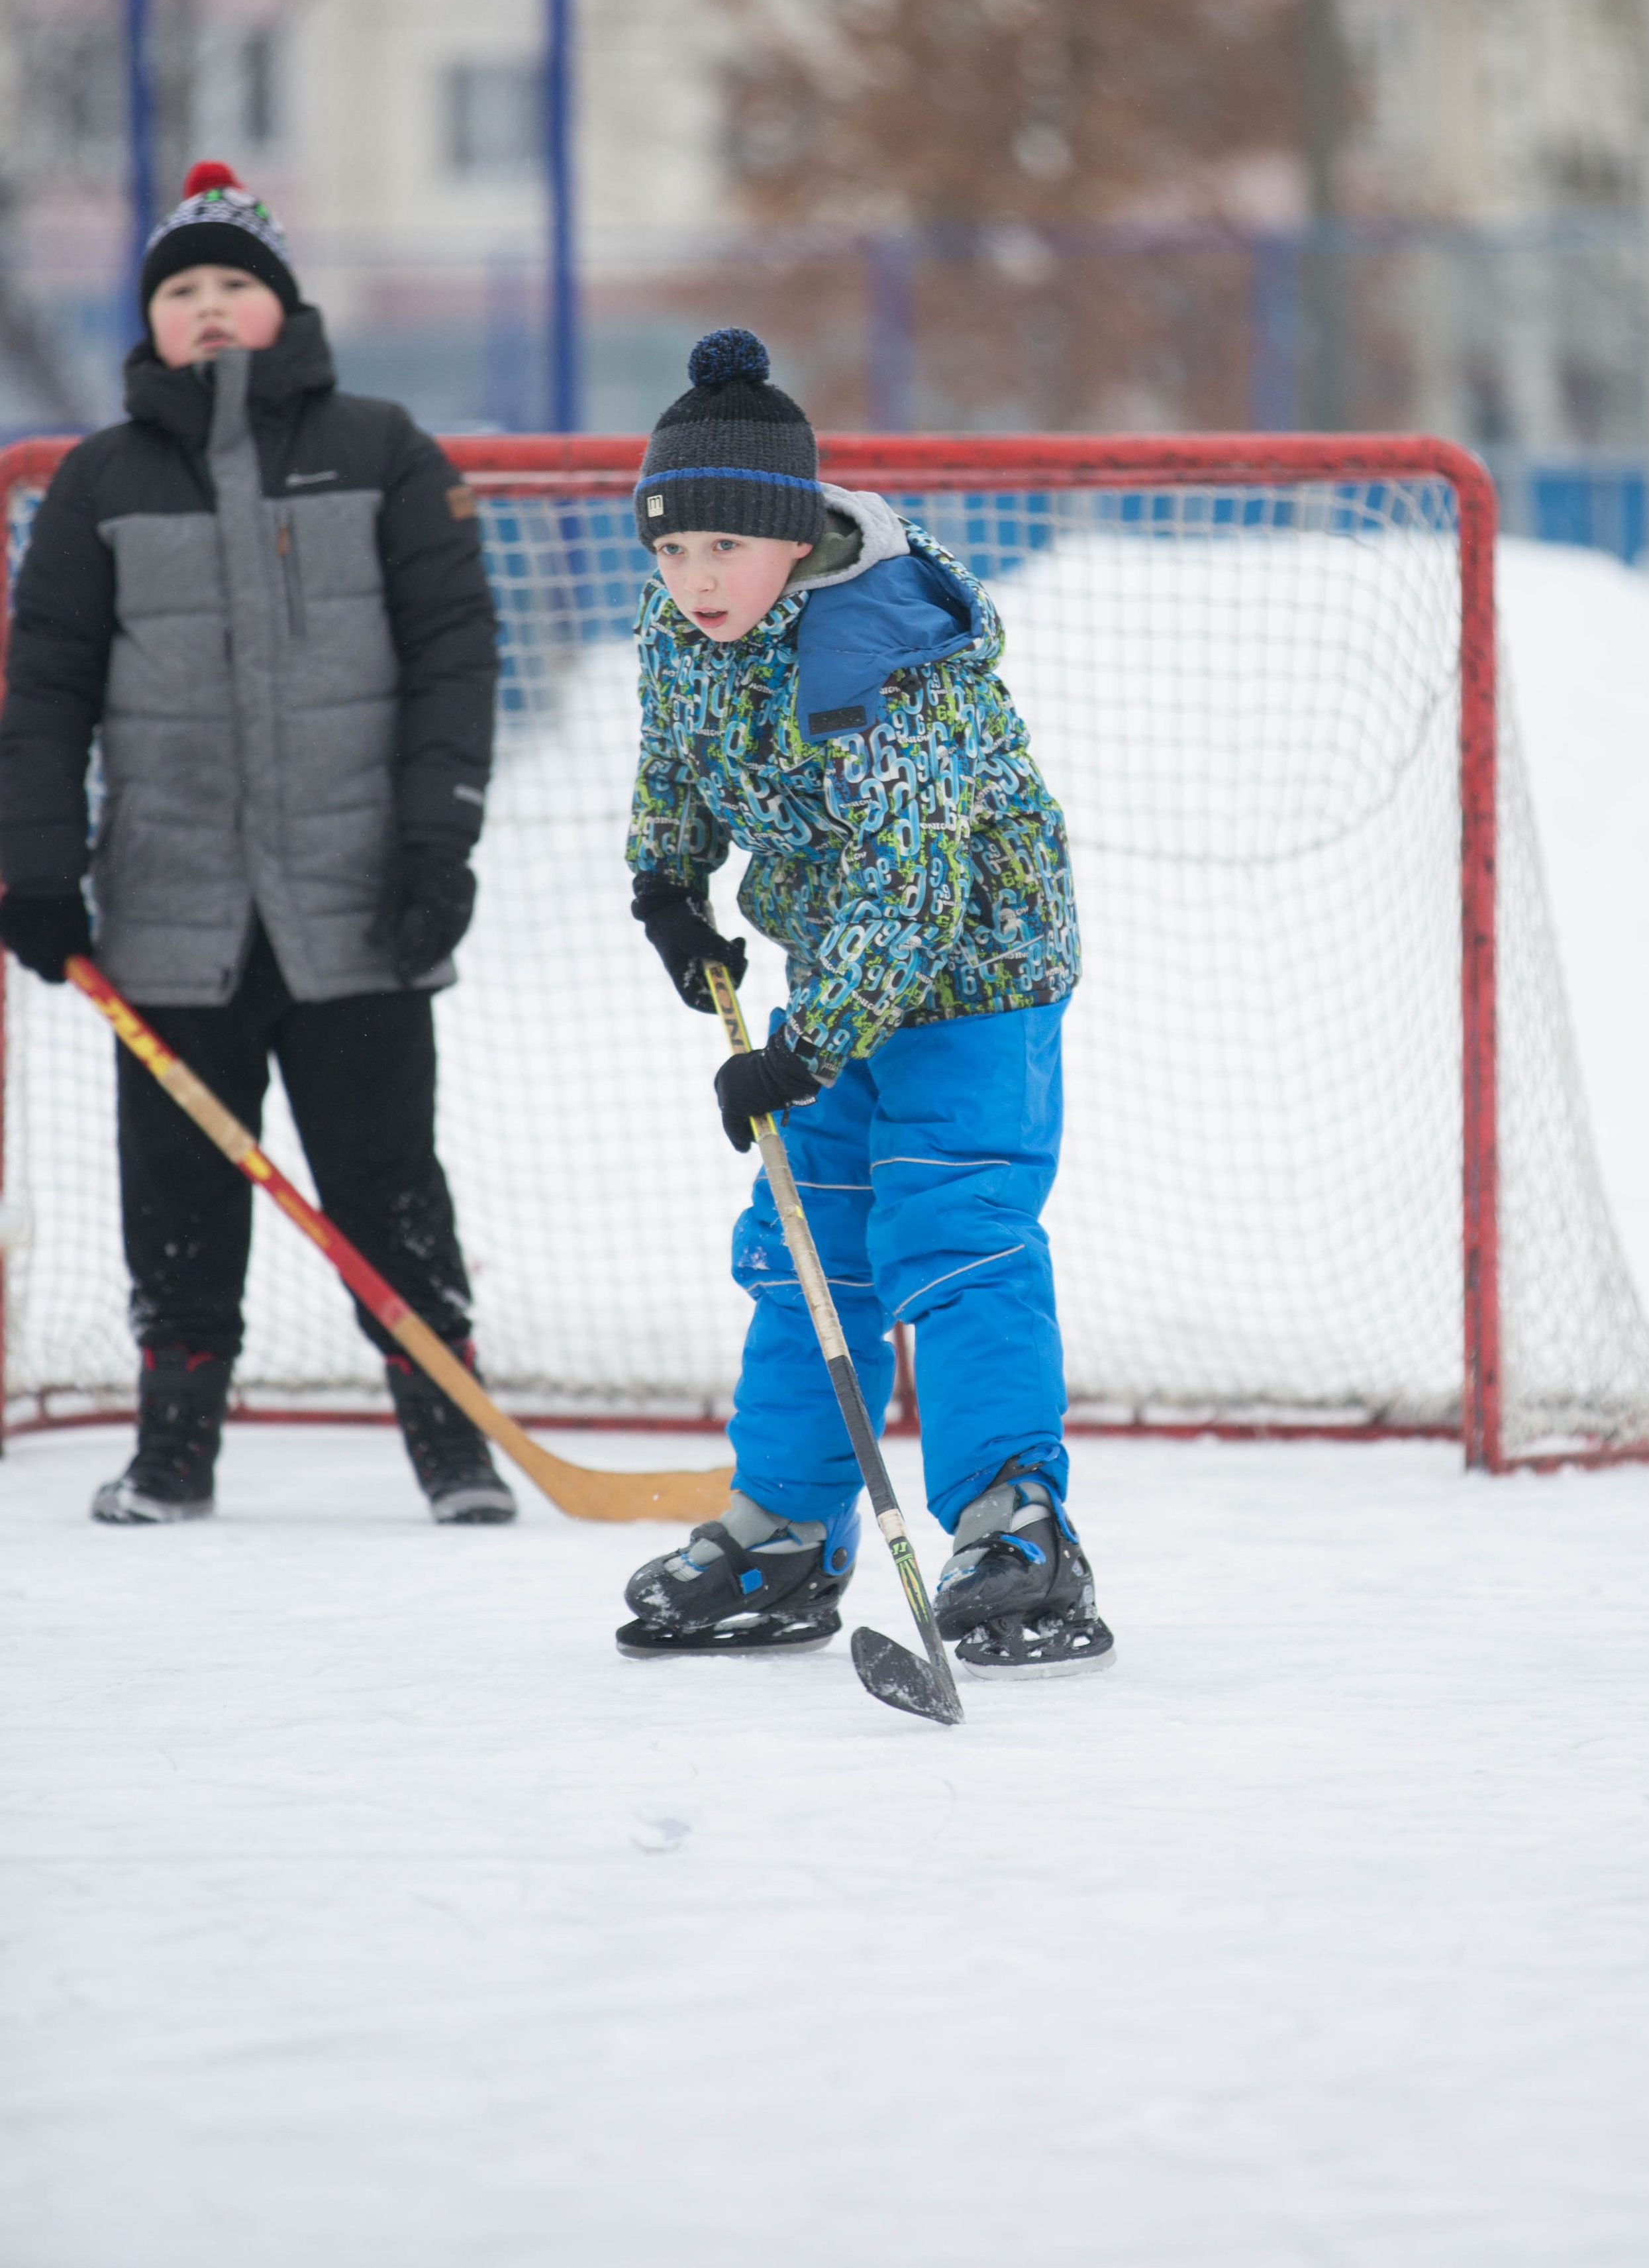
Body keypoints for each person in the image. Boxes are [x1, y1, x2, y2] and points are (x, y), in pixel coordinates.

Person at [0, 161, 514, 1527]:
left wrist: (435, 849)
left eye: (238, 284)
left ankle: (451, 1439)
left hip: (357, 907)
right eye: (184, 290)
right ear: (150, 324)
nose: (212, 309)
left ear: (283, 306)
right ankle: (173, 1448)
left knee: (388, 1182)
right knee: (176, 1193)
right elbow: (42, 685)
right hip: (169, 911)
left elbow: (455, 659)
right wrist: (37, 863)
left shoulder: (386, 446)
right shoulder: (97, 483)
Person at [615, 327, 1113, 1673]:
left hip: (971, 980)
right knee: (802, 1247)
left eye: (722, 548)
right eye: (670, 549)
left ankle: (1014, 1529)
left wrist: (798, 1053)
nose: (694, 577)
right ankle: (780, 1531)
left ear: (790, 536)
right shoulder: (683, 633)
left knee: (953, 1241)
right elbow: (675, 761)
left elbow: (913, 887)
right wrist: (668, 890)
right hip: (835, 973)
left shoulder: (878, 658)